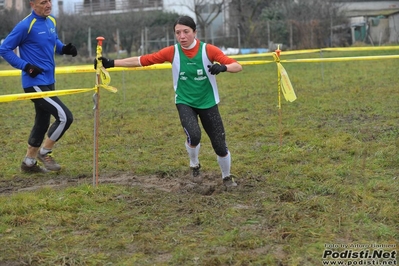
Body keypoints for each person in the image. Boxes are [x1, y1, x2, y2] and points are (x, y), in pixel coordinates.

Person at [95, 16, 242, 187]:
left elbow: (237, 66)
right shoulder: (172, 51)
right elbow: (142, 60)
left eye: (186, 32)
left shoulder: (208, 50)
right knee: (194, 135)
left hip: (208, 102)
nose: (182, 36)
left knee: (220, 145)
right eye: (178, 33)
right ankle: (194, 163)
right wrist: (111, 62)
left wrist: (223, 67)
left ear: (195, 32)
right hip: (185, 101)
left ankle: (226, 176)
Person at [0, 0, 77, 173]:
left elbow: (53, 41)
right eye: (43, 2)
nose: (48, 4)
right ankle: (45, 152)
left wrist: (64, 49)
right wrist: (26, 66)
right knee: (65, 117)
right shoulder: (25, 25)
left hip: (49, 81)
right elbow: (4, 49)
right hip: (34, 83)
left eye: (49, 1)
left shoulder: (52, 21)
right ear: (33, 5)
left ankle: (28, 163)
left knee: (42, 122)